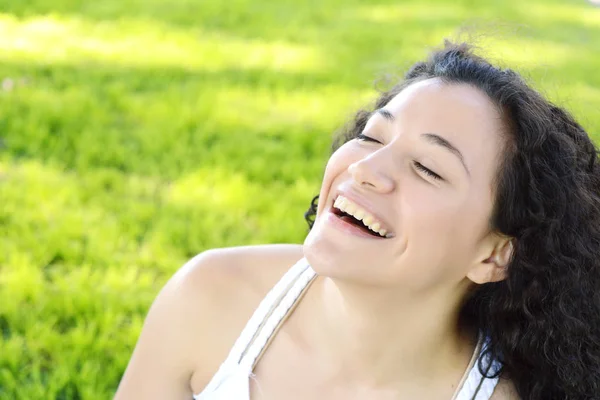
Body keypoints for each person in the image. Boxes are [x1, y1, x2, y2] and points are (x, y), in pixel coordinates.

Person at [114, 40, 600, 400]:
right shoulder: (209, 297)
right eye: (372, 136)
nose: (366, 169)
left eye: (427, 168)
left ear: (494, 254)